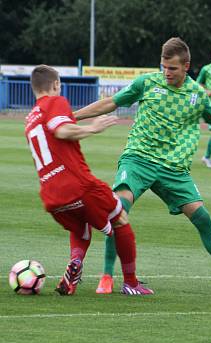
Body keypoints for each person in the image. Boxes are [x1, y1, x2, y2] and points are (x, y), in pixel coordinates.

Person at [73, 37, 211, 294]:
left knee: (203, 218)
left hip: (173, 169)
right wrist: (71, 115)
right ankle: (107, 276)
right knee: (118, 209)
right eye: (164, 67)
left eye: (173, 68)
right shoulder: (147, 83)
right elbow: (111, 103)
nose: (167, 72)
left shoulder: (197, 94)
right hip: (138, 159)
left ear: (186, 66)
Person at [24, 65, 153, 296]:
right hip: (79, 185)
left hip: (51, 196)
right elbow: (61, 130)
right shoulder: (56, 102)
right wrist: (92, 128)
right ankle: (131, 283)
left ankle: (75, 264)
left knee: (82, 227)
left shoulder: (31, 118)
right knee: (120, 219)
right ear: (55, 85)